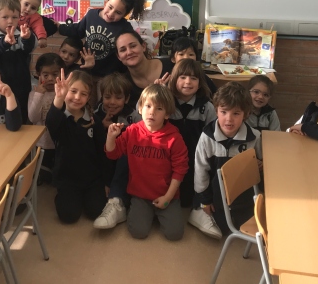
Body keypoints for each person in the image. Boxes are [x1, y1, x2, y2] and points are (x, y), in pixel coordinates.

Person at [105, 84, 188, 241]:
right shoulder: (132, 131)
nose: (152, 112)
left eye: (159, 108)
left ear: (167, 114)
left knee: (175, 234)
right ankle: (146, 213)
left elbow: (180, 170)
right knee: (138, 232)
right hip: (140, 195)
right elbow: (112, 154)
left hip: (167, 195)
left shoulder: (174, 138)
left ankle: (158, 213)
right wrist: (111, 137)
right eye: (148, 106)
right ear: (140, 108)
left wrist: (168, 197)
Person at [191, 82, 261, 238]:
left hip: (242, 196)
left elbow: (262, 163)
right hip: (215, 194)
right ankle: (197, 211)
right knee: (222, 229)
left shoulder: (255, 137)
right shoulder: (206, 137)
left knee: (245, 227)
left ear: (246, 114)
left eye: (236, 113)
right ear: (216, 110)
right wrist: (205, 201)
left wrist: (260, 164)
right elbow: (200, 171)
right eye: (223, 112)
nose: (229, 119)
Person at [45, 70, 107, 224]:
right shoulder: (59, 118)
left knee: (96, 211)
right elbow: (51, 122)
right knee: (69, 216)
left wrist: (106, 182)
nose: (78, 97)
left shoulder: (94, 120)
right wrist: (59, 97)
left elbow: (102, 152)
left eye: (83, 94)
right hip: (67, 179)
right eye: (73, 91)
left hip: (92, 178)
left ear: (89, 97)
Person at [59, 0, 146, 79]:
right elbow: (77, 30)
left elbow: (131, 48)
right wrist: (59, 27)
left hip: (109, 76)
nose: (111, 14)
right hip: (87, 70)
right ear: (107, 0)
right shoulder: (91, 15)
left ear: (125, 14)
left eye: (118, 12)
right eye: (110, 7)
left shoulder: (124, 27)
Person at [92, 71, 141, 230]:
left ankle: (118, 198)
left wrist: (120, 132)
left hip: (125, 165)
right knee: (94, 208)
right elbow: (95, 148)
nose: (112, 102)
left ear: (126, 99)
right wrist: (101, 128)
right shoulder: (96, 114)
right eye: (107, 97)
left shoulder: (133, 116)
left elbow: (140, 139)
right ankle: (112, 193)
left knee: (125, 151)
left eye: (118, 98)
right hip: (102, 165)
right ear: (101, 96)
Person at [166, 58, 217, 207]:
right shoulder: (166, 102)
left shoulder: (207, 107)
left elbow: (212, 137)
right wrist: (157, 90)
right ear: (174, 79)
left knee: (189, 199)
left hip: (196, 160)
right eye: (182, 77)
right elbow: (142, 111)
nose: (188, 82)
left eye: (193, 78)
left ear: (200, 83)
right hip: (168, 159)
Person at [0, 0, 34, 122]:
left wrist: (27, 38)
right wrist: (4, 42)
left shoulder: (22, 33)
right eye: (5, 17)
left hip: (22, 84)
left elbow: (30, 47)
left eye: (14, 17)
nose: (10, 21)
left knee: (21, 113)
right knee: (1, 114)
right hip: (0, 85)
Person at [28, 53, 65, 183]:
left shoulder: (64, 94)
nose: (50, 79)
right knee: (40, 174)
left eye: (55, 74)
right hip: (41, 144)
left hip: (59, 143)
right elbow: (33, 118)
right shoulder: (34, 94)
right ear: (39, 75)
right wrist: (39, 95)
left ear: (62, 74)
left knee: (58, 174)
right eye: (45, 75)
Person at [116, 31, 174, 107]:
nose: (129, 52)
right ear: (119, 56)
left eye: (133, 46)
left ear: (143, 46)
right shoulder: (122, 85)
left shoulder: (172, 66)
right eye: (123, 50)